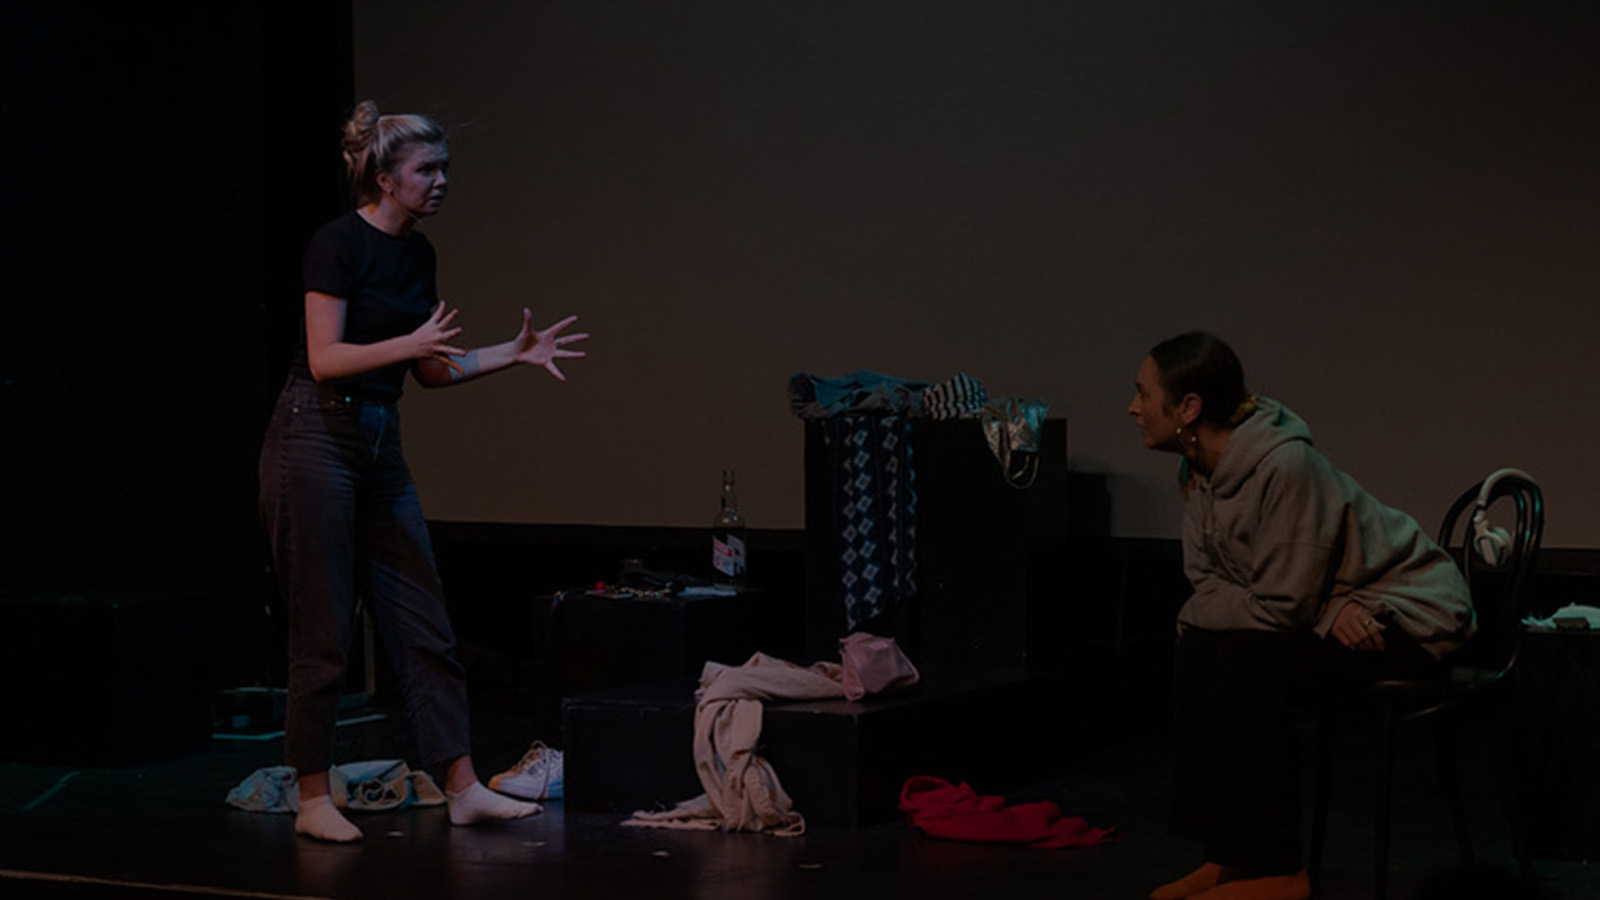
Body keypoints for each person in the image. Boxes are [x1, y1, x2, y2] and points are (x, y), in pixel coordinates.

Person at [258, 100, 588, 842]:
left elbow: (430, 370)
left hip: (379, 439)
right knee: (323, 630)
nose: (441, 182)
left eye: (445, 169)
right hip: (315, 437)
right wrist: (408, 345)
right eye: (427, 170)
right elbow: (325, 359)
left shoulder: (416, 254)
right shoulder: (336, 244)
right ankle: (313, 798)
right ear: (384, 177)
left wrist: (512, 353)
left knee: (425, 622)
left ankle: (462, 785)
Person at [1128, 332, 1473, 900]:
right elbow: (1208, 584)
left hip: (1412, 609)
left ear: (1188, 407)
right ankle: (1229, 855)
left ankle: (1278, 869)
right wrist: (1325, 608)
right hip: (1333, 605)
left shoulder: (1286, 466)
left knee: (1248, 660)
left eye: (1143, 393)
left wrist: (1316, 606)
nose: (1134, 407)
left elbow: (1282, 603)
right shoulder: (1197, 471)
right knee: (1197, 647)